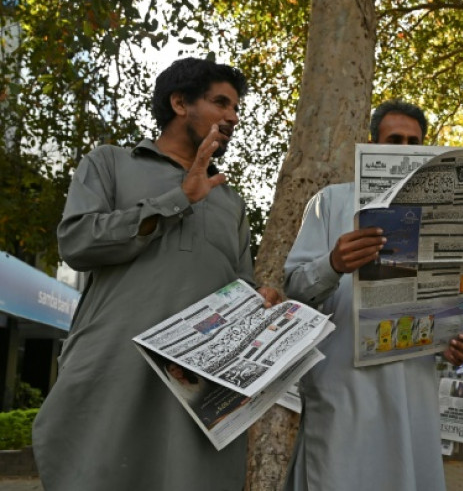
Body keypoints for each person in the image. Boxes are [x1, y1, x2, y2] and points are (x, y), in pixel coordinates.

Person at [32, 57, 280, 491]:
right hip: (113, 371)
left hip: (197, 390)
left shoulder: (231, 202)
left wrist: (261, 300)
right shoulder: (110, 163)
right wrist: (179, 198)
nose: (233, 116)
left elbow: (239, 287)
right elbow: (76, 243)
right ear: (180, 102)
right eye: (221, 102)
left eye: (236, 107)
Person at [282, 99, 463, 491]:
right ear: (372, 145)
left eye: (413, 142)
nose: (404, 148)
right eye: (394, 140)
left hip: (413, 390)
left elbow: (447, 302)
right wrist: (333, 263)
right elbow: (294, 290)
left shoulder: (445, 214)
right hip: (344, 385)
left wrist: (451, 344)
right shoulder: (332, 202)